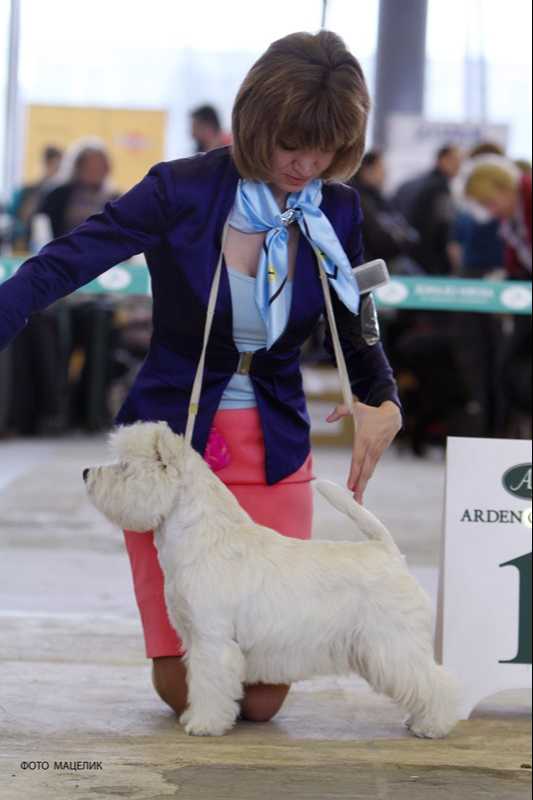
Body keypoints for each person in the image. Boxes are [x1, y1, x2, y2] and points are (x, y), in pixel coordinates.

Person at [0, 31, 402, 723]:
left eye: (328, 149)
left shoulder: (337, 206)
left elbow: (354, 304)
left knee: (262, 696)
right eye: (292, 145)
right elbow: (68, 258)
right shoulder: (178, 188)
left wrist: (379, 393)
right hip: (172, 448)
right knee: (184, 687)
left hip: (274, 443)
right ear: (256, 122)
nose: (307, 165)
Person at [393, 145, 463, 275]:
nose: (459, 165)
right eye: (455, 160)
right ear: (442, 160)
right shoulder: (439, 187)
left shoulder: (419, 182)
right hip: (431, 259)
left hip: (415, 252)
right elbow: (442, 226)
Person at [349, 150, 421, 269]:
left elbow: (406, 231)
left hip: (386, 259)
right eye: (380, 168)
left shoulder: (378, 198)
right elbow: (380, 240)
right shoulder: (358, 199)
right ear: (367, 171)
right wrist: (401, 239)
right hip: (370, 263)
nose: (385, 174)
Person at [37, 138, 117, 239]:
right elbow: (42, 228)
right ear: (77, 167)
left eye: (99, 166)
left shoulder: (115, 199)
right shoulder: (58, 196)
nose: (95, 171)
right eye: (89, 166)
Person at [8, 145, 63, 251]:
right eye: (52, 165)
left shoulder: (64, 193)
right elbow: (22, 217)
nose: (55, 171)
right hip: (29, 241)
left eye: (58, 167)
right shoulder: (29, 191)